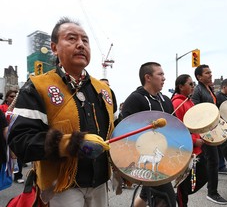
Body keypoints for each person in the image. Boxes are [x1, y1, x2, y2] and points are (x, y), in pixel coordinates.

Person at [8, 17, 115, 206]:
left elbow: (115, 133)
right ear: (54, 47)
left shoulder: (104, 90)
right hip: (60, 189)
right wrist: (70, 144)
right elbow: (20, 140)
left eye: (85, 40)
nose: (81, 45)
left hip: (100, 185)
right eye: (72, 39)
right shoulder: (36, 86)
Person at [122, 62, 176, 207]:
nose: (164, 78)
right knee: (167, 199)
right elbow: (124, 132)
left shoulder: (165, 100)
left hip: (164, 157)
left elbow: (174, 126)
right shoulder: (135, 99)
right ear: (148, 77)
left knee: (146, 195)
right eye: (160, 74)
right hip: (145, 160)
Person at [191, 64, 227, 205]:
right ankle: (212, 192)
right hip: (204, 132)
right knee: (212, 161)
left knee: (212, 161)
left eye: (210, 72)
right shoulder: (197, 91)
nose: (210, 74)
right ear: (199, 77)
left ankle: (202, 186)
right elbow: (195, 112)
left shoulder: (209, 89)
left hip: (212, 130)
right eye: (207, 73)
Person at [171, 74, 208, 207]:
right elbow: (177, 129)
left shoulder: (189, 101)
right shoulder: (177, 103)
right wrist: (193, 140)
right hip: (186, 149)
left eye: (194, 84)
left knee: (204, 175)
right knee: (184, 185)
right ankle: (181, 201)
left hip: (196, 149)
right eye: (191, 84)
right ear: (181, 87)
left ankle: (177, 197)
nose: (193, 87)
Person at [0, 90, 24, 184]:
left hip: (17, 136)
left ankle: (18, 175)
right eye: (11, 96)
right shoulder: (2, 108)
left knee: (18, 157)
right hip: (5, 138)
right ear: (6, 98)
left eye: (15, 96)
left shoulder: (20, 109)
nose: (13, 98)